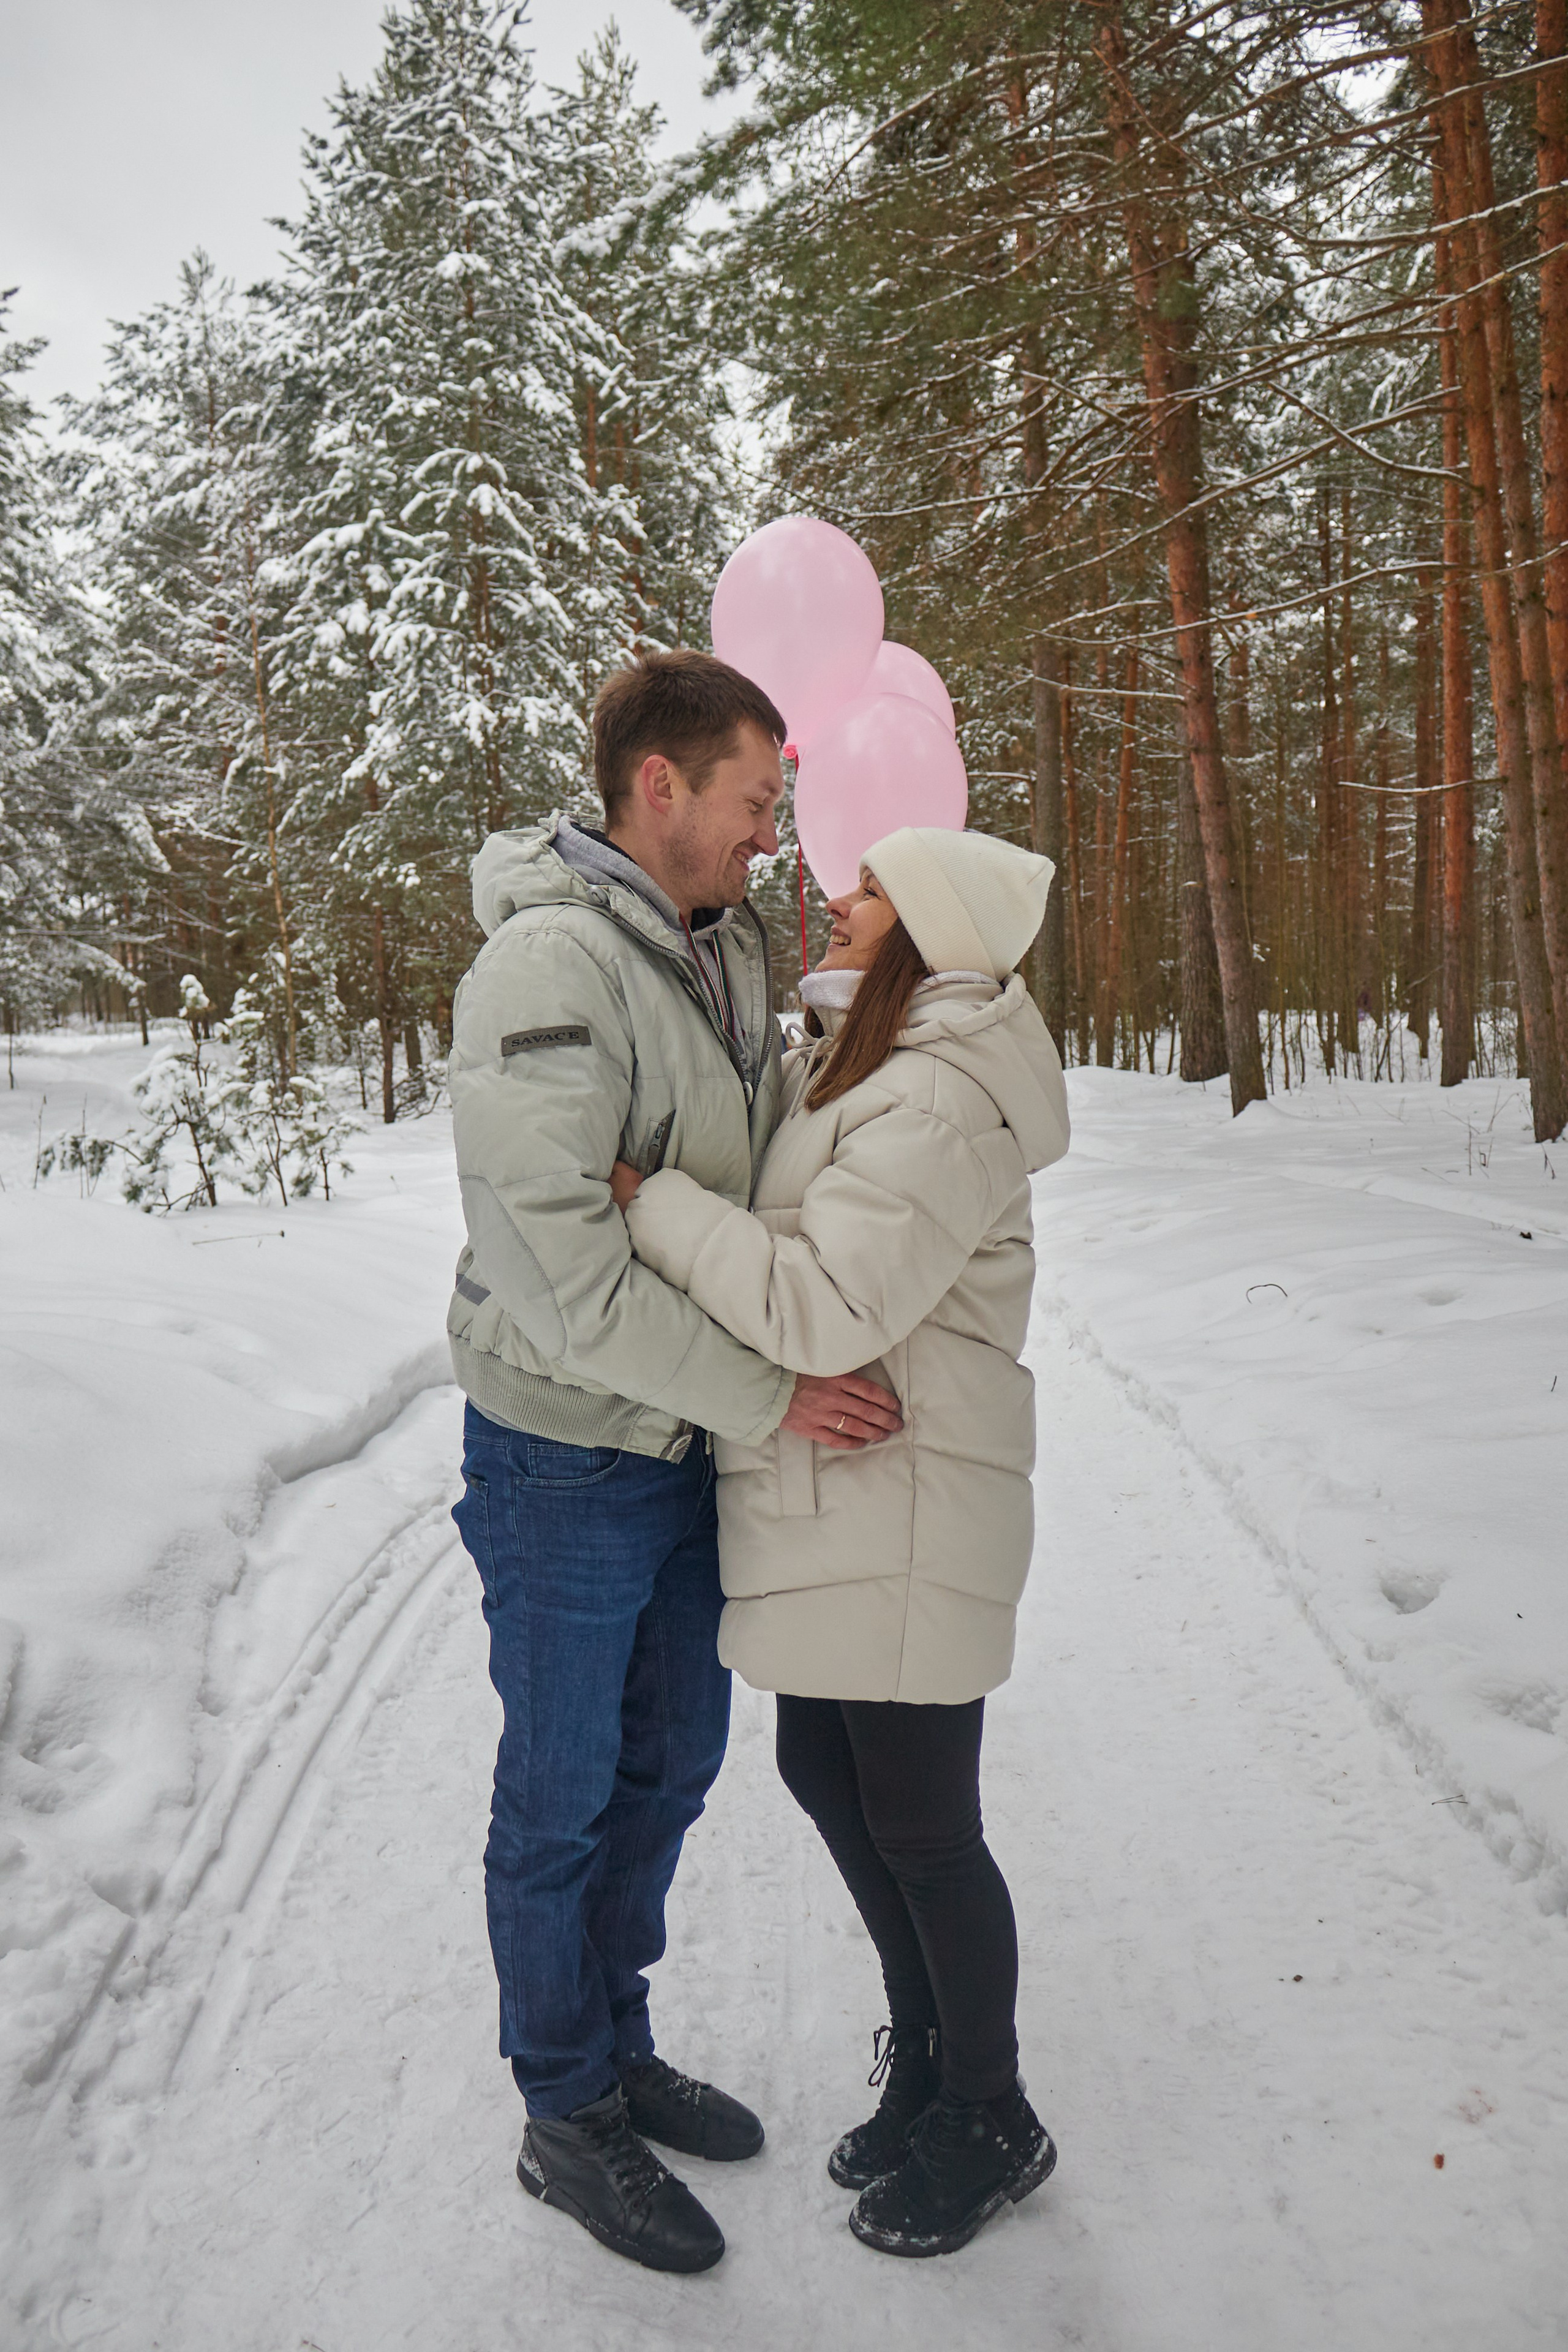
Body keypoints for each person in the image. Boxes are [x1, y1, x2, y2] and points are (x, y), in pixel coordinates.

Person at [446, 650, 903, 2277]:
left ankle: (614, 2041)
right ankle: (561, 2108)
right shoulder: (547, 969)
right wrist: (770, 1394)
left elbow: (736, 1165)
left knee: (670, 1769)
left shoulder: (716, 946)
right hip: (567, 1461)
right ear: (661, 787)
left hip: (677, 1452)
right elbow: (566, 1273)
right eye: (756, 802)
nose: (774, 835)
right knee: (561, 1799)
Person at [614, 823, 1071, 2259]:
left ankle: (993, 2113)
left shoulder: (937, 1098)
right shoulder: (872, 1061)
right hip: (850, 1496)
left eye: (872, 889)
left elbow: (822, 1307)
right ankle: (930, 2058)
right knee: (827, 1770)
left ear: (929, 926)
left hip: (913, 1494)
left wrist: (657, 1207)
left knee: (927, 1825)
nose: (837, 895)